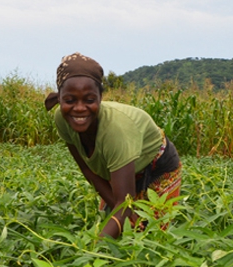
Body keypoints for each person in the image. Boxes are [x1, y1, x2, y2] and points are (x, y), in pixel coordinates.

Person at [44, 52, 182, 239]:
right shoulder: (61, 118)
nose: (79, 108)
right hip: (118, 170)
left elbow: (124, 203)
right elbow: (87, 169)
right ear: (59, 97)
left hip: (157, 166)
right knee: (119, 226)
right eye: (69, 100)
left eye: (89, 100)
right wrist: (123, 212)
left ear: (101, 97)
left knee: (150, 236)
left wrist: (93, 251)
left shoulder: (117, 130)